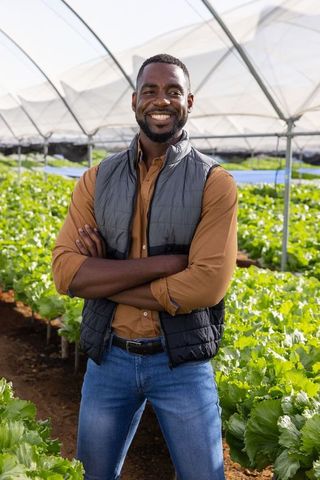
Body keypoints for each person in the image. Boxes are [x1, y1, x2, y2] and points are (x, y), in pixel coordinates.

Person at [52, 53, 237, 480]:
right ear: (135, 100)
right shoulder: (96, 179)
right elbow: (65, 272)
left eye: (173, 91)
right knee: (93, 474)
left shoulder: (215, 182)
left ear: (189, 102)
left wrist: (102, 279)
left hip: (182, 364)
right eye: (151, 90)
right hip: (109, 360)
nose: (162, 100)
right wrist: (166, 265)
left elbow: (206, 287)